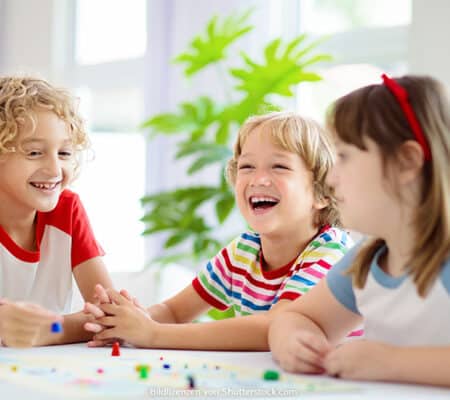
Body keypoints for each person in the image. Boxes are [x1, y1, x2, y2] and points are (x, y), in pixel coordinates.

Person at [84, 111, 353, 350]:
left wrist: (153, 334)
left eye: (279, 166)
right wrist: (127, 323)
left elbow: (273, 328)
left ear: (323, 192)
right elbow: (174, 311)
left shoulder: (331, 252)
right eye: (247, 166)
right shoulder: (244, 250)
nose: (258, 179)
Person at [269, 75, 450, 387]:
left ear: (407, 161)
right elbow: (295, 317)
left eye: (343, 156)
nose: (331, 179)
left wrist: (393, 363)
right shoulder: (366, 262)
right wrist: (294, 340)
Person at [0, 76, 113, 348]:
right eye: (35, 152)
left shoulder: (67, 209)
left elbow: (110, 315)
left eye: (64, 153)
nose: (54, 170)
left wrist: (54, 329)